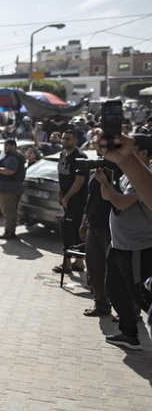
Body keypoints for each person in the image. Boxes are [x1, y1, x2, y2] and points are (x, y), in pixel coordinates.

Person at [95, 134, 152, 350]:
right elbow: (106, 197)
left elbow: (121, 201)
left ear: (144, 153)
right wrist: (106, 180)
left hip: (137, 247)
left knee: (141, 295)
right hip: (119, 243)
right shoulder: (129, 175)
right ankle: (129, 334)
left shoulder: (146, 176)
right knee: (114, 289)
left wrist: (106, 185)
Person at [79, 150, 115, 318]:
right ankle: (101, 304)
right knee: (94, 267)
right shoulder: (97, 170)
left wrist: (106, 180)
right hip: (94, 224)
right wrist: (84, 222)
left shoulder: (120, 170)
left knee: (117, 271)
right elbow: (90, 198)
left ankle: (129, 311)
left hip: (113, 228)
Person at [53, 130, 88, 273]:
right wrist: (61, 194)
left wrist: (67, 196)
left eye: (68, 139)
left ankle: (67, 263)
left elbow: (79, 181)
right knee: (71, 231)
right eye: (63, 138)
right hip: (67, 199)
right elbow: (62, 177)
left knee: (70, 230)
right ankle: (78, 263)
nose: (64, 141)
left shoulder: (80, 157)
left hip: (77, 201)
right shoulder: (62, 155)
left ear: (75, 141)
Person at [0, 139, 26, 240]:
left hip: (8, 189)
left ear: (13, 146)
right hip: (10, 187)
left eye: (7, 146)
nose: (5, 148)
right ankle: (9, 230)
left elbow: (10, 171)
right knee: (10, 211)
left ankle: (9, 232)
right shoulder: (15, 155)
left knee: (8, 211)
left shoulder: (13, 157)